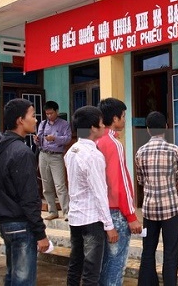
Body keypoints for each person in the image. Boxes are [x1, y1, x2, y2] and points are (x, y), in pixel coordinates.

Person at [0, 98, 50, 285]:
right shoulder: (22, 152)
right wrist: (40, 234)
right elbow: (29, 197)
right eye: (32, 116)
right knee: (22, 280)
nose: (36, 120)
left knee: (12, 277)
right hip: (21, 224)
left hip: (6, 222)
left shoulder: (0, 147)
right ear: (20, 120)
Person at [65, 106, 119, 285]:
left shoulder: (72, 151)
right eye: (102, 123)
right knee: (91, 272)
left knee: (75, 265)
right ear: (93, 128)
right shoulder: (93, 155)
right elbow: (99, 192)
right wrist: (109, 225)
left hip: (76, 217)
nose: (104, 126)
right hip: (91, 220)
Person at [135, 111, 178, 285]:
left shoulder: (140, 152)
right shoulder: (174, 150)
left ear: (148, 129)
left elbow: (141, 180)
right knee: (171, 252)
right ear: (166, 126)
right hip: (171, 208)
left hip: (149, 209)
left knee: (148, 250)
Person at [97, 98, 142, 286]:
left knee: (103, 263)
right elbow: (120, 183)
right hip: (115, 211)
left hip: (99, 211)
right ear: (115, 119)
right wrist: (131, 216)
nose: (125, 120)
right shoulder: (113, 144)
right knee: (116, 263)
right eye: (123, 116)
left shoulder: (96, 141)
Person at [35, 100, 72, 221]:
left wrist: (55, 138)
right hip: (43, 155)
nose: (49, 116)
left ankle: (66, 212)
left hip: (56, 156)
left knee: (60, 185)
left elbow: (67, 139)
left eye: (51, 113)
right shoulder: (43, 124)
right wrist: (37, 139)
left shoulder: (64, 124)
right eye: (47, 114)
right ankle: (52, 211)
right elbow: (39, 138)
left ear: (56, 111)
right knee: (46, 185)